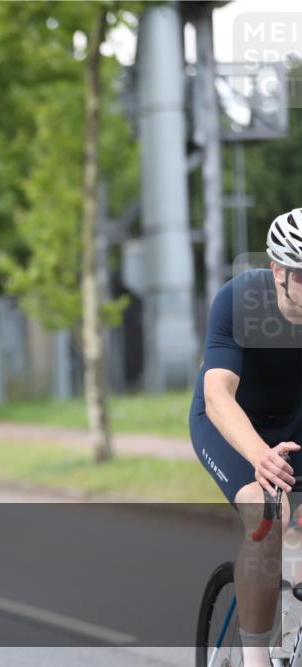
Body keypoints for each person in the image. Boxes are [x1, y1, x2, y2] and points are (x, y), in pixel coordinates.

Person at [191, 208, 302, 666]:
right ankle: (255, 659)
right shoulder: (241, 300)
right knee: (270, 514)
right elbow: (217, 394)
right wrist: (260, 455)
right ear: (277, 270)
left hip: (295, 426)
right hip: (233, 425)